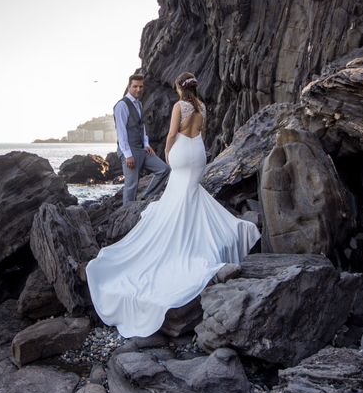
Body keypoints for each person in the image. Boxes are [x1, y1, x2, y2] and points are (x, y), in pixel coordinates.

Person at [86, 71, 261, 338]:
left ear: (180, 87)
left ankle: (178, 234)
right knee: (191, 193)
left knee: (179, 194)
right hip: (198, 153)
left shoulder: (180, 105)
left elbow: (171, 134)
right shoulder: (201, 106)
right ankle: (200, 229)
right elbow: (199, 132)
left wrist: (167, 152)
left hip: (181, 151)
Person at [114, 73, 170, 205]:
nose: (138, 89)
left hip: (142, 149)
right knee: (131, 186)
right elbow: (121, 132)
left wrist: (146, 144)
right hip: (130, 151)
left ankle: (145, 199)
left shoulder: (138, 104)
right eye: (135, 86)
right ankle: (125, 215)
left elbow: (142, 126)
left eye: (141, 87)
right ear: (129, 87)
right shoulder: (122, 105)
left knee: (164, 169)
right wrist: (128, 155)